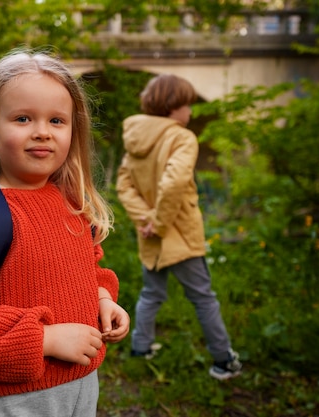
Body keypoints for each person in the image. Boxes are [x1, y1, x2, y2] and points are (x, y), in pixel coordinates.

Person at [0, 49, 130, 417]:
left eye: (56, 121)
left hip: (82, 383)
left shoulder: (69, 203)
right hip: (12, 396)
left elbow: (86, 268)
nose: (42, 133)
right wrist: (44, 339)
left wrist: (102, 299)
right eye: (22, 118)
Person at [115, 73, 242, 380]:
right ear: (173, 106)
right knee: (203, 297)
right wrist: (157, 223)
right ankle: (224, 361)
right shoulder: (182, 137)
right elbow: (174, 183)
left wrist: (145, 220)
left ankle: (140, 348)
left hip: (151, 235)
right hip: (179, 234)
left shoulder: (135, 138)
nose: (191, 111)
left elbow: (124, 185)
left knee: (151, 292)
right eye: (187, 104)